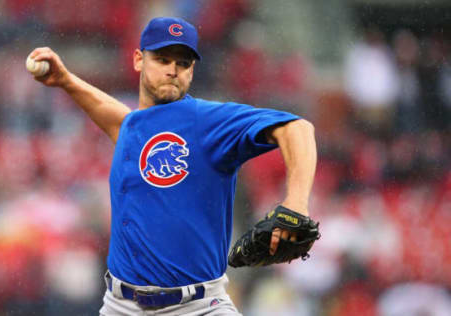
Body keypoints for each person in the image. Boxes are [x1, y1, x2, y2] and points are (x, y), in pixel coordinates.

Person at [29, 17, 317, 316]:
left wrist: (295, 203)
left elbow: (298, 129)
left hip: (197, 307)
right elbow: (122, 123)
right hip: (120, 306)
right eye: (162, 59)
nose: (172, 69)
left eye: (182, 62)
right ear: (139, 60)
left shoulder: (206, 121)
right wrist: (66, 81)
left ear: (191, 70)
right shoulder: (136, 127)